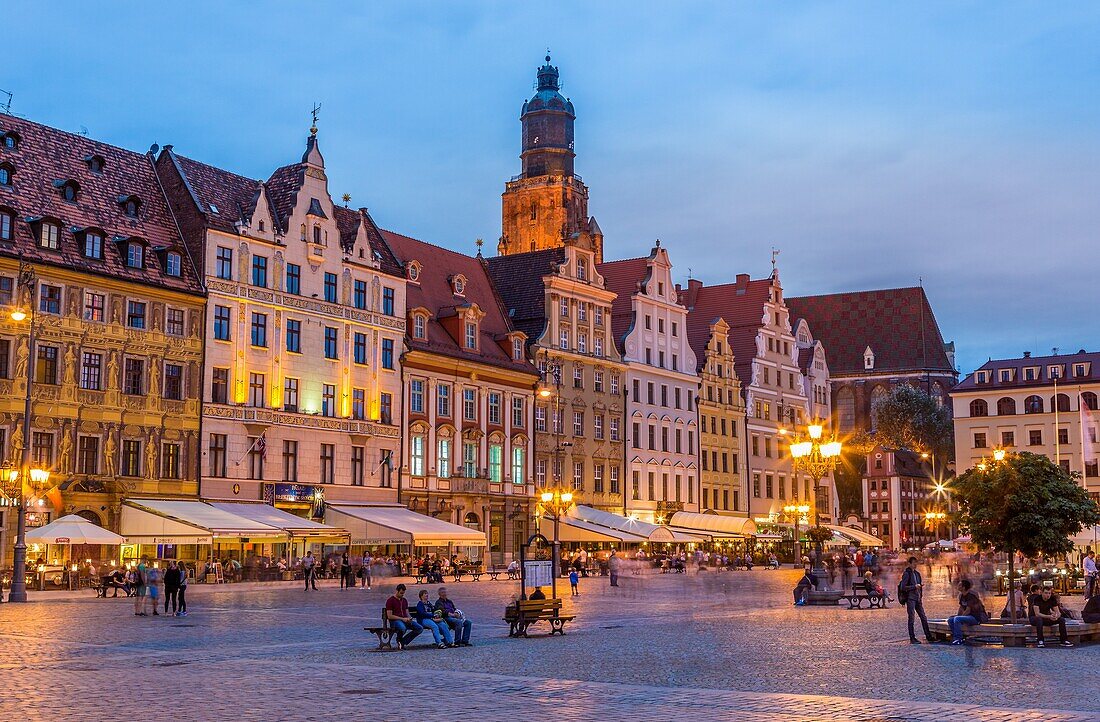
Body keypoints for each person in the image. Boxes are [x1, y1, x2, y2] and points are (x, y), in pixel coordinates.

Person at [900, 556, 934, 644]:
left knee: (923, 617)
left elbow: (919, 586)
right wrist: (914, 587)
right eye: (914, 563)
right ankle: (912, 637)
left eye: (916, 563)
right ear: (910, 563)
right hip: (910, 598)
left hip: (917, 598)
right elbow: (903, 587)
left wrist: (920, 595)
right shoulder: (907, 574)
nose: (915, 565)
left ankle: (929, 636)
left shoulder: (917, 574)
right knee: (911, 618)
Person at [947, 579, 987, 645]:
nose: (958, 586)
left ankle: (958, 639)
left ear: (964, 587)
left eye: (960, 585)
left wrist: (959, 618)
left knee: (957, 619)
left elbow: (968, 610)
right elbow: (961, 608)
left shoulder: (971, 596)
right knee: (950, 619)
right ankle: (956, 636)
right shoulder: (962, 596)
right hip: (968, 617)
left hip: (975, 618)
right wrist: (957, 615)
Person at [385, 584, 422, 650]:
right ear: (397, 591)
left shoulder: (404, 600)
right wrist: (402, 619)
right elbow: (390, 616)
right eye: (401, 593)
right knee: (402, 628)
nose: (402, 595)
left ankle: (403, 641)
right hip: (395, 621)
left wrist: (409, 618)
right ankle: (399, 640)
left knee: (419, 628)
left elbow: (407, 612)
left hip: (405, 620)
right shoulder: (390, 600)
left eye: (403, 593)